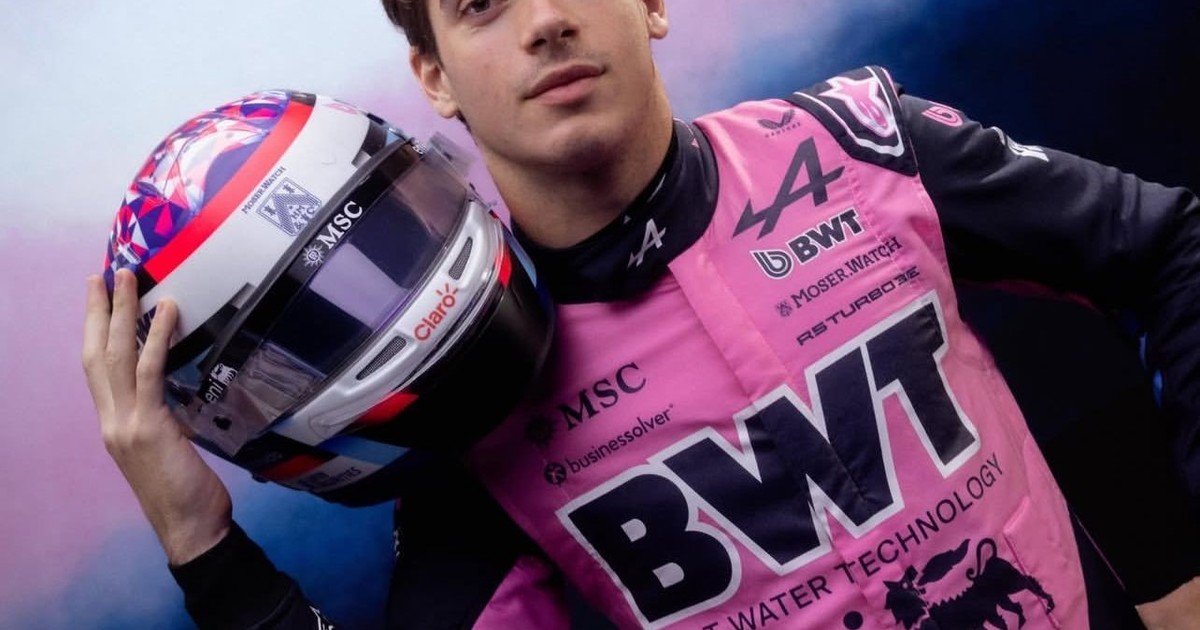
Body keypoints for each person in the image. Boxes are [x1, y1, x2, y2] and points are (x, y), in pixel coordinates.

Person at [81, 0, 1200, 628]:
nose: (545, 21)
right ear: (434, 77)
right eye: (482, 3)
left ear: (653, 2)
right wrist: (205, 549)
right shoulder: (472, 413)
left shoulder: (858, 141)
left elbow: (1170, 245)